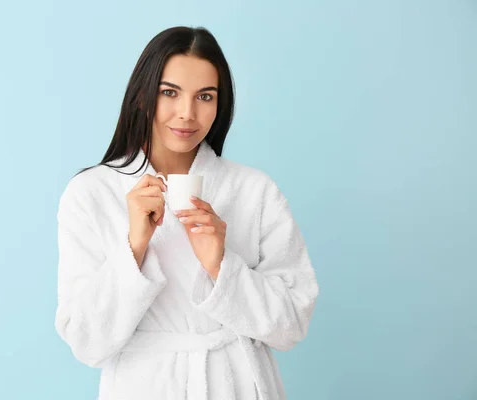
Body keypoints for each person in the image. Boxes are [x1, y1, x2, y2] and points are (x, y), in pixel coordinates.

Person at [54, 26, 319, 400]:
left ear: (220, 103)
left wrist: (221, 266)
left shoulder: (254, 190)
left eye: (205, 96)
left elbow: (291, 326)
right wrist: (135, 247)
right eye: (169, 93)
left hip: (240, 385)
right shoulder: (91, 194)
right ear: (143, 96)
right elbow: (86, 342)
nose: (187, 113)